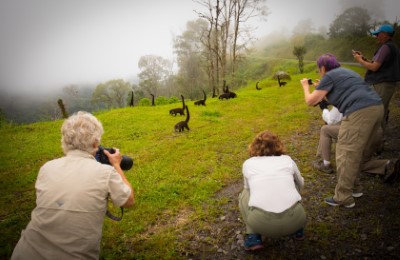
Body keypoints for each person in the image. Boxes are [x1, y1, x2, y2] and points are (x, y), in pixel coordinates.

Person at [11, 111, 134, 260]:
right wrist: (116, 165)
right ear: (95, 143)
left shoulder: (47, 168)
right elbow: (128, 201)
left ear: (65, 140)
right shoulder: (105, 172)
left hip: (25, 252)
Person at [300, 53, 385, 208]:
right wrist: (321, 87)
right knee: (357, 152)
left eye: (319, 69)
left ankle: (343, 197)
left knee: (346, 153)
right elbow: (339, 93)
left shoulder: (329, 75)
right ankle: (355, 188)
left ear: (323, 68)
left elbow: (310, 101)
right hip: (377, 108)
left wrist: (305, 86)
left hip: (359, 112)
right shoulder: (347, 72)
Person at [239, 130, 306, 251]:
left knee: (244, 194)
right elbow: (301, 183)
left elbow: (248, 188)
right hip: (297, 219)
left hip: (262, 223)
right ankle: (298, 230)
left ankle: (253, 237)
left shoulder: (248, 164)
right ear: (278, 145)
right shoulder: (287, 160)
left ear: (254, 146)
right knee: (295, 183)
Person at [353, 24, 400, 130]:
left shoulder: (386, 47)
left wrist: (359, 60)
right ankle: (378, 139)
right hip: (386, 83)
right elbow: (377, 63)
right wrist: (363, 59)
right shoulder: (392, 46)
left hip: (383, 84)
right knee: (380, 110)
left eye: (378, 34)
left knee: (378, 112)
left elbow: (374, 67)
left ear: (385, 35)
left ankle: (379, 141)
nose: (376, 36)